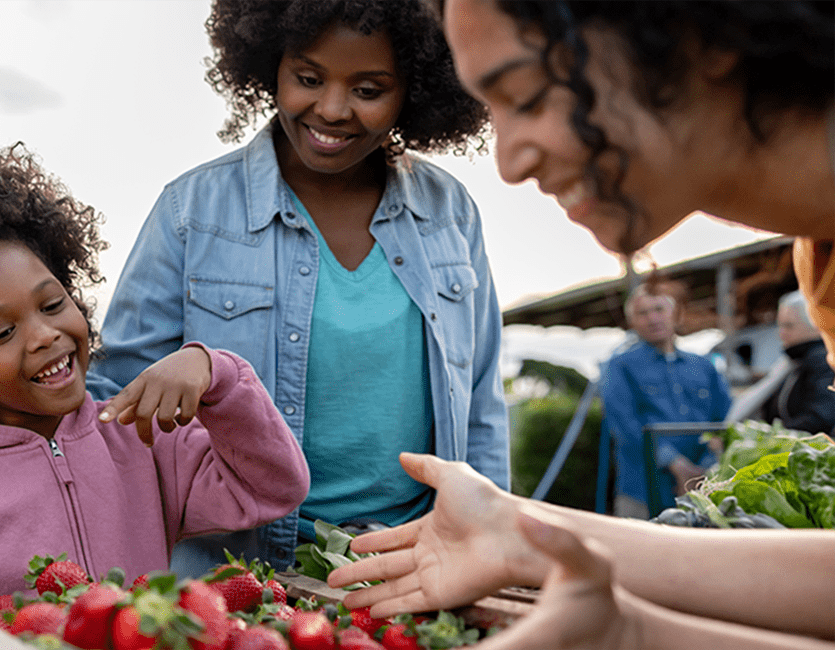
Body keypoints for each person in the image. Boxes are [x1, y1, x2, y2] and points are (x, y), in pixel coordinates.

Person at [0, 0, 510, 577]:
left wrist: (495, 538)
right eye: (308, 78)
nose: (333, 108)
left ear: (416, 91)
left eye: (369, 89)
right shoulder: (191, 211)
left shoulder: (450, 214)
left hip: (416, 555)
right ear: (270, 64)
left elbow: (479, 404)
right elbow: (104, 397)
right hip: (245, 564)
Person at [328, 0, 834, 648]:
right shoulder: (819, 261)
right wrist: (533, 550)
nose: (509, 162)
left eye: (530, 96)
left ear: (699, 34)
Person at [0, 137, 309, 602]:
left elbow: (273, 488)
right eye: (2, 333)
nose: (45, 335)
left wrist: (214, 371)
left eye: (51, 304)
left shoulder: (143, 437)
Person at [601, 282, 731, 518]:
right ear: (632, 322)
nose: (653, 319)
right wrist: (675, 464)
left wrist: (704, 467)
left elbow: (725, 420)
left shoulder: (703, 367)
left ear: (675, 314)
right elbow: (625, 425)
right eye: (643, 313)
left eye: (659, 310)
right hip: (642, 491)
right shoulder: (620, 366)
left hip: (703, 488)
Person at [758, 290, 835, 434]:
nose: (781, 334)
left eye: (789, 326)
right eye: (779, 326)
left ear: (815, 326)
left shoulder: (822, 361)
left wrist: (777, 437)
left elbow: (822, 416)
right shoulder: (795, 361)